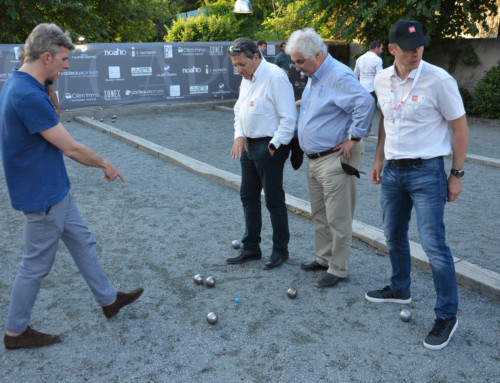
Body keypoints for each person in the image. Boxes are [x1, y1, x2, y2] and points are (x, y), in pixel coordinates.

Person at [0, 23, 144, 350]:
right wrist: (105, 163)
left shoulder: (23, 82)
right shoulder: (25, 93)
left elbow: (52, 120)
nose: (67, 65)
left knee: (83, 242)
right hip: (43, 196)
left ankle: (108, 300)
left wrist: (50, 88)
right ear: (47, 57)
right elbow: (71, 147)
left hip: (55, 189)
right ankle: (15, 332)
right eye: (64, 59)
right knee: (35, 265)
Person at [365, 19, 469, 351]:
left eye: (421, 46)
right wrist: (379, 158)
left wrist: (456, 174)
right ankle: (399, 287)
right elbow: (386, 118)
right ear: (392, 48)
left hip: (427, 172)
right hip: (393, 171)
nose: (417, 53)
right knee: (392, 233)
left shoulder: (438, 80)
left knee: (434, 245)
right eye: (410, 49)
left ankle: (447, 314)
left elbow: (461, 128)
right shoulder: (382, 79)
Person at [286, 28, 375, 288]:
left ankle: (338, 268)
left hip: (334, 158)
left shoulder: (338, 74)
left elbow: (365, 103)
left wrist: (354, 138)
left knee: (338, 217)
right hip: (315, 159)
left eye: (300, 61)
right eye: (294, 62)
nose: (297, 67)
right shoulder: (316, 74)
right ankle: (323, 258)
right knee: (320, 214)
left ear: (317, 54)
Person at [226, 37, 296, 270]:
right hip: (249, 144)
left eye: (242, 64)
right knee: (248, 196)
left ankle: (280, 250)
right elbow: (239, 111)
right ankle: (251, 246)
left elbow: (289, 119)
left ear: (256, 57)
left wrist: (274, 147)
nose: (238, 70)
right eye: (235, 65)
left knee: (274, 200)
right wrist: (239, 135)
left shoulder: (276, 76)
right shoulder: (247, 78)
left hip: (270, 146)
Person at [18, 45, 61, 118]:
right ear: (20, 60)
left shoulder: (43, 72)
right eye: (24, 58)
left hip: (44, 109)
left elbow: (51, 91)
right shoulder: (17, 77)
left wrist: (57, 108)